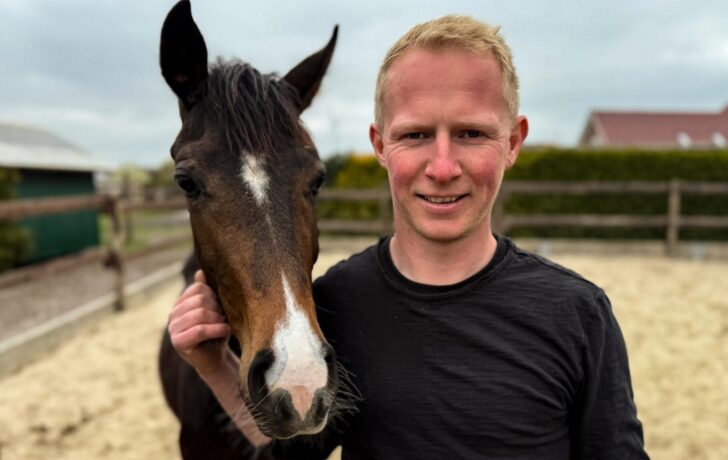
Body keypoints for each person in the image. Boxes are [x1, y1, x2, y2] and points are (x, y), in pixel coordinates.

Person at [169, 15, 649, 459]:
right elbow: (286, 449)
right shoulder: (337, 302)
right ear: (380, 145)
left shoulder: (578, 314)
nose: (442, 168)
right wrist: (214, 365)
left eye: (472, 134)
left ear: (513, 142)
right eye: (416, 135)